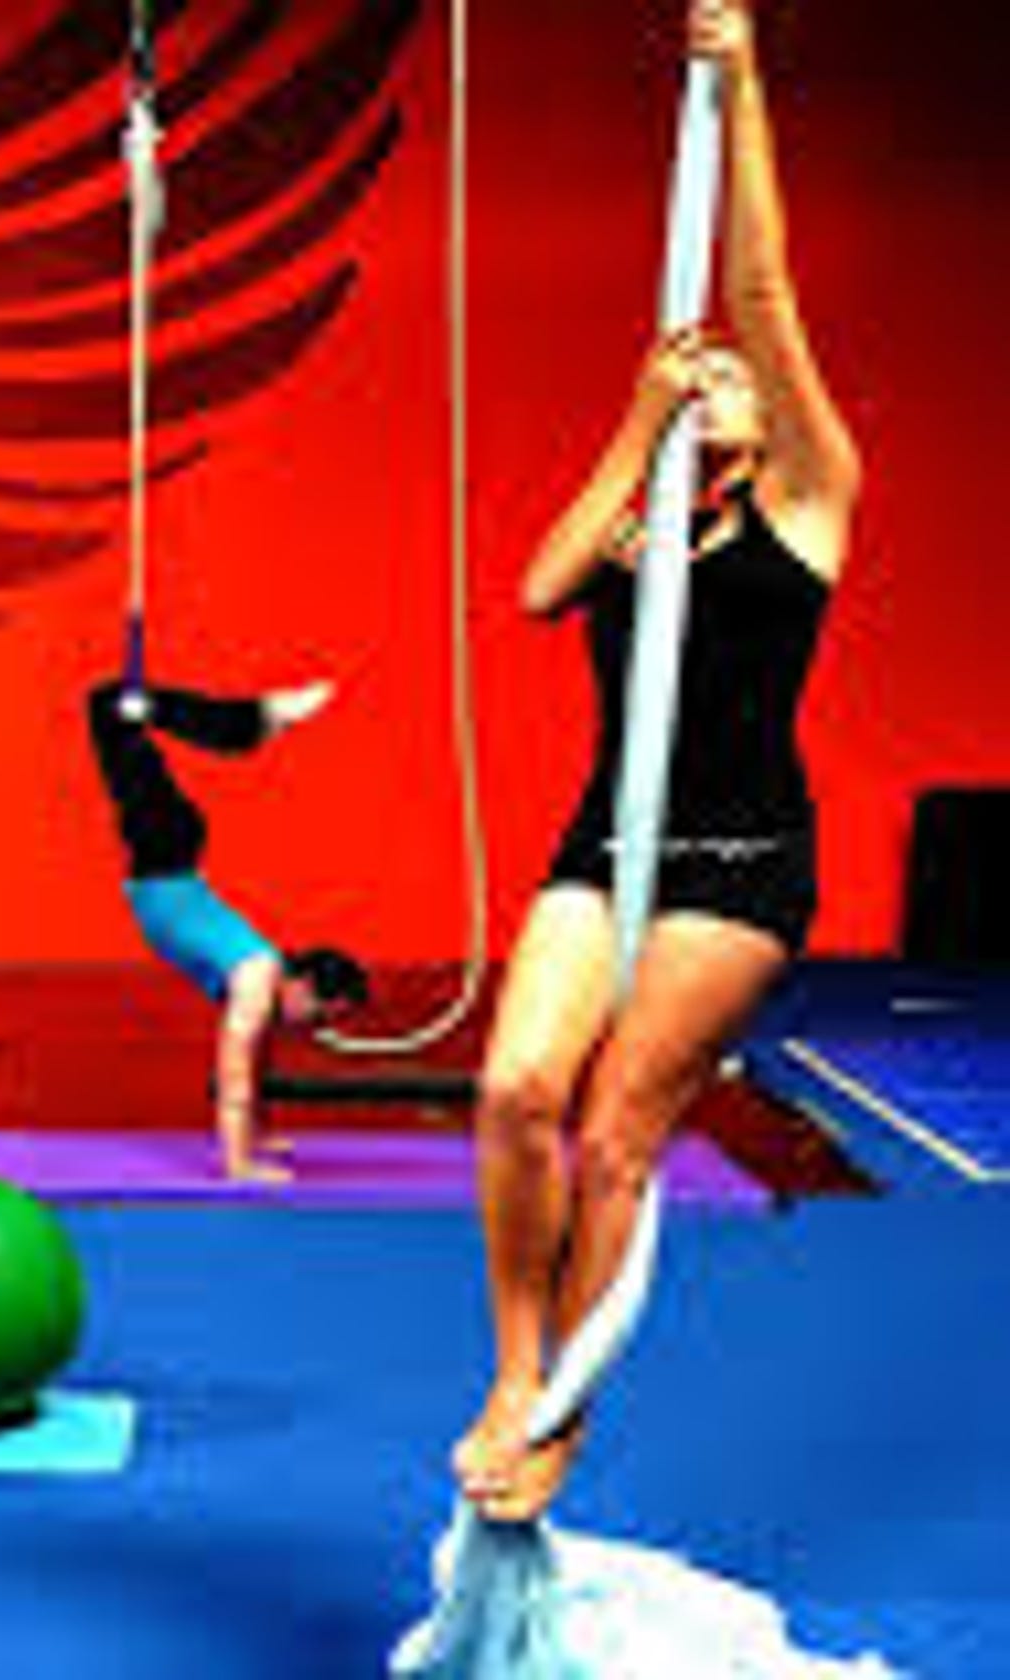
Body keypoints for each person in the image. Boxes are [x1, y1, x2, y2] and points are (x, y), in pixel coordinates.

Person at [454, 0, 858, 1525]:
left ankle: (564, 1408)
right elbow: (537, 588)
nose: (721, 376)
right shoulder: (639, 532)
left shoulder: (810, 502)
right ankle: (514, 1369)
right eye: (708, 373)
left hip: (742, 860)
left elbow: (760, 286)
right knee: (516, 1090)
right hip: (607, 840)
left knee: (618, 1130)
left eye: (734, 381)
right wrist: (641, 415)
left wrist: (740, 84)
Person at [83, 676, 370, 1182]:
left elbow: (255, 1067)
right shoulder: (258, 978)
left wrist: (259, 1135)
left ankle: (252, 722)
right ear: (303, 986)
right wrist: (242, 1165)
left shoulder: (264, 981)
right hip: (164, 848)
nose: (316, 1027)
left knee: (121, 713)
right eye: (321, 1013)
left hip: (169, 853)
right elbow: (234, 1075)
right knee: (110, 706)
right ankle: (255, 720)